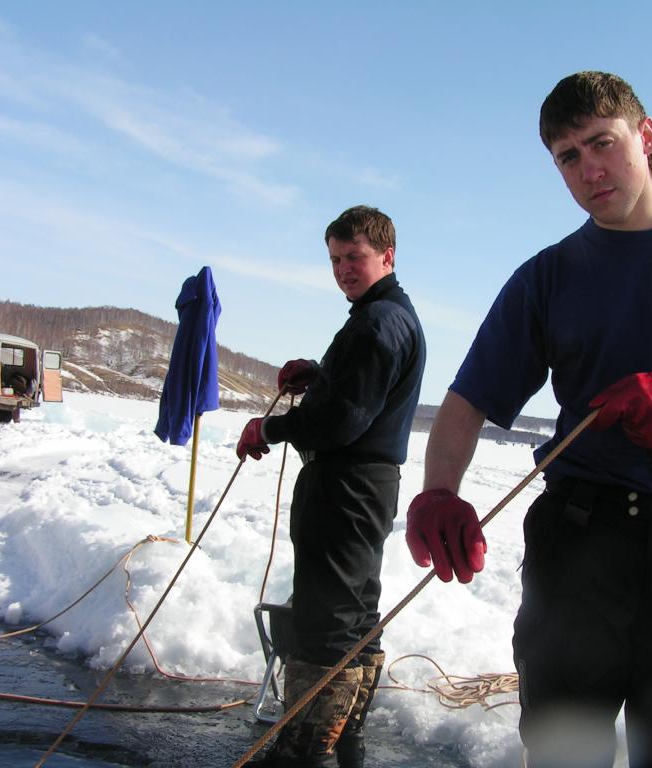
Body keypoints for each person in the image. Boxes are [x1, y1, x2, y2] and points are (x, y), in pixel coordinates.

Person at [404, 71, 652, 768]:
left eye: (602, 143)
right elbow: (467, 400)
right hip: (578, 547)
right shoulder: (548, 275)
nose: (589, 168)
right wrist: (440, 490)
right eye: (568, 156)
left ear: (645, 137)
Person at [236, 205, 426, 768]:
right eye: (336, 259)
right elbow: (359, 393)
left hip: (345, 487)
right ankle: (345, 744)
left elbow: (342, 420)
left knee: (327, 625)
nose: (344, 269)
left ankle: (303, 751)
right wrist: (319, 376)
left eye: (355, 258)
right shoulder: (388, 314)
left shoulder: (376, 322)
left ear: (386, 256)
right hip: (367, 485)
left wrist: (269, 426)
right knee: (355, 615)